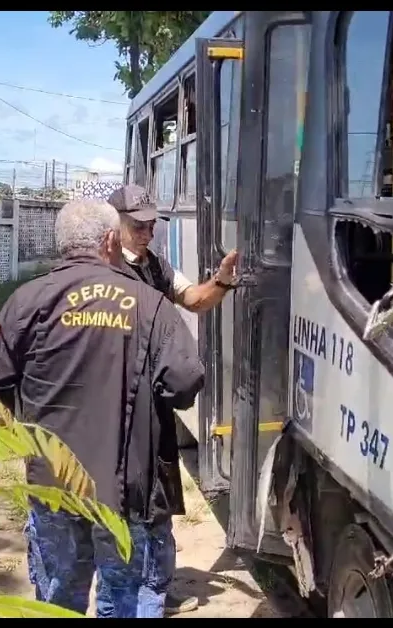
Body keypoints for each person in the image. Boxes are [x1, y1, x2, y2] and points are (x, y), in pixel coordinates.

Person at [0, 197, 205, 618]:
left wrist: (32, 424)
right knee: (128, 596)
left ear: (61, 244)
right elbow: (185, 382)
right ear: (112, 241)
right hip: (126, 488)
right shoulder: (149, 304)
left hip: (51, 485)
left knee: (58, 599)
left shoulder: (26, 301)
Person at [107, 184, 239, 616]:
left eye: (150, 225)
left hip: (153, 405)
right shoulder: (101, 270)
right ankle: (129, 593)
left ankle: (158, 590)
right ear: (116, 225)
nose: (146, 233)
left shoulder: (157, 268)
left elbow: (194, 300)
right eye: (137, 226)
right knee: (119, 507)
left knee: (160, 503)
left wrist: (220, 281)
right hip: (111, 405)